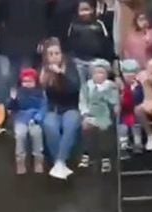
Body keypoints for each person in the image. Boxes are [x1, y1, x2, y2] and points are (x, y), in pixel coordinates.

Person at [0, 0, 48, 100]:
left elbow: (43, 20)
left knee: (24, 75)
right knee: (10, 75)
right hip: (12, 43)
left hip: (27, 44)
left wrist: (42, 40)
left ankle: (21, 101)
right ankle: (10, 101)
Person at [38, 38, 82, 180]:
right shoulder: (44, 71)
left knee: (70, 124)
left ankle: (60, 162)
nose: (54, 56)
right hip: (54, 109)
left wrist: (61, 74)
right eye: (51, 54)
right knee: (49, 125)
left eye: (57, 53)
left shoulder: (70, 67)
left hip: (71, 107)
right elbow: (44, 93)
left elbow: (74, 89)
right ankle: (60, 163)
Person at [78, 59, 120, 173]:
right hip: (90, 114)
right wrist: (85, 114)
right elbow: (83, 102)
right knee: (86, 127)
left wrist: (108, 98)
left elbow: (114, 101)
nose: (99, 75)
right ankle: (86, 154)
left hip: (105, 114)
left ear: (106, 74)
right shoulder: (86, 86)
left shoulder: (111, 86)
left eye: (102, 73)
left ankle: (105, 158)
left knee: (104, 129)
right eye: (96, 72)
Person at [64, 0, 114, 84]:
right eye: (82, 10)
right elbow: (69, 44)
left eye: (86, 9)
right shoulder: (73, 25)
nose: (84, 13)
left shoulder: (100, 24)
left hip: (96, 62)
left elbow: (107, 44)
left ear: (92, 10)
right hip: (79, 62)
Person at [9, 68, 48, 174]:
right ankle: (20, 161)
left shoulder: (40, 93)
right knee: (20, 135)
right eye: (25, 81)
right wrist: (13, 99)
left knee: (36, 134)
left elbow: (44, 107)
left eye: (30, 81)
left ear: (35, 82)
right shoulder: (18, 93)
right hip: (21, 119)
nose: (27, 84)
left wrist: (37, 118)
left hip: (34, 119)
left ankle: (38, 160)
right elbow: (12, 108)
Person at [116, 59, 145, 154]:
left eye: (132, 74)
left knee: (136, 125)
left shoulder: (139, 86)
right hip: (124, 112)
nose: (129, 77)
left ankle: (138, 143)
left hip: (135, 111)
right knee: (122, 126)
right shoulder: (120, 87)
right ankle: (123, 144)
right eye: (126, 74)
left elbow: (141, 97)